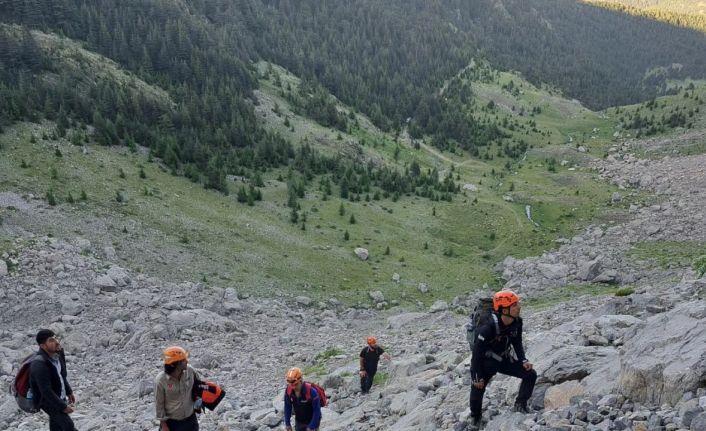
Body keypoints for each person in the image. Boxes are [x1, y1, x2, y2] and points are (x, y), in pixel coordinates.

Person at [469, 291, 536, 429]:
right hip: (486, 363)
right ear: (505, 310)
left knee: (530, 374)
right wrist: (477, 376)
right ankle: (476, 418)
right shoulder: (487, 327)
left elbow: (517, 343)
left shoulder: (517, 322)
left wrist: (523, 360)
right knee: (477, 388)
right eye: (515, 305)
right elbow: (476, 354)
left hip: (504, 358)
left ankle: (520, 405)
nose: (519, 307)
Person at [29, 329, 77, 431]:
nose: (56, 342)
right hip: (47, 400)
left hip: (58, 394)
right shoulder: (39, 364)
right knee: (68, 425)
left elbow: (61, 375)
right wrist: (63, 406)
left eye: (55, 338)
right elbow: (45, 391)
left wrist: (69, 391)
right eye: (51, 340)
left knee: (56, 426)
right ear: (42, 346)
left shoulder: (58, 354)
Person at [155, 346, 201, 431]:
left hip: (190, 420)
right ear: (174, 364)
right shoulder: (161, 380)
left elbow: (199, 385)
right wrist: (164, 426)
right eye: (183, 360)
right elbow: (159, 404)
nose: (187, 361)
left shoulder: (190, 371)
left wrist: (199, 399)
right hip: (172, 424)